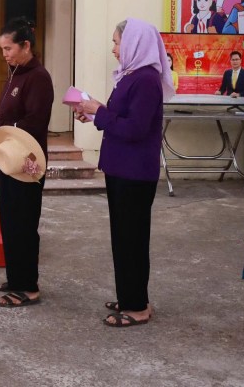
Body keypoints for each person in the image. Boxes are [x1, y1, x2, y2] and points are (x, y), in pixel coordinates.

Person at [74, 18, 174, 327]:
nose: (114, 49)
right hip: (121, 167)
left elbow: (135, 129)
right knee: (123, 236)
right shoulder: (130, 75)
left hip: (134, 172)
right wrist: (94, 112)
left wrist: (99, 112)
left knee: (131, 238)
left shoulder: (145, 80)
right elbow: (120, 117)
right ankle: (130, 296)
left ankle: (137, 307)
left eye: (117, 42)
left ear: (135, 43)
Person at [0, 17, 53, 308]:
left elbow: (33, 124)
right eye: (2, 49)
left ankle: (28, 287)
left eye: (9, 48)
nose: (4, 54)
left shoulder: (38, 77)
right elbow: (6, 121)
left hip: (28, 162)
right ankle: (17, 277)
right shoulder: (15, 73)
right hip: (9, 159)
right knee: (10, 220)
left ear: (26, 45)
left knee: (24, 222)